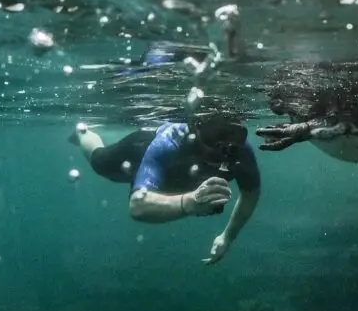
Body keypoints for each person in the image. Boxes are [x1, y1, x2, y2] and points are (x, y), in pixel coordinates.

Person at [69, 105, 261, 265]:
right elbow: (137, 206)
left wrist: (227, 236)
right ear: (196, 126)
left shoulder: (240, 150)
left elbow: (251, 192)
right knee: (99, 162)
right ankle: (82, 134)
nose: (225, 146)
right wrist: (189, 202)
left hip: (177, 180)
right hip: (138, 154)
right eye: (216, 134)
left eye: (236, 134)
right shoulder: (170, 141)